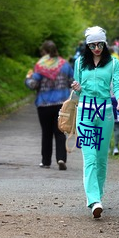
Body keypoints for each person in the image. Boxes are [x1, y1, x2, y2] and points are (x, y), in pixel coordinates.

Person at [71, 26, 119, 218]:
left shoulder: (113, 63)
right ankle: (93, 200)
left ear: (105, 43)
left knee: (101, 159)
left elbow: (117, 85)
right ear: (87, 45)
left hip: (106, 114)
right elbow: (77, 91)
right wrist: (76, 87)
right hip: (84, 113)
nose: (96, 48)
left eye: (100, 44)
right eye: (92, 45)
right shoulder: (79, 63)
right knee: (90, 157)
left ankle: (98, 196)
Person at [25, 40, 74, 170]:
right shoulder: (65, 65)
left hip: (44, 104)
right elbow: (72, 82)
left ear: (44, 52)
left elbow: (33, 85)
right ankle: (61, 158)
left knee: (46, 133)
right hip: (61, 104)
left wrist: (28, 78)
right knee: (60, 132)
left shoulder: (40, 66)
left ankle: (46, 161)